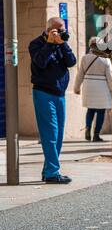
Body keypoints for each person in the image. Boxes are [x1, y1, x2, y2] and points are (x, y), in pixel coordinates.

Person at [29, 17, 76, 184]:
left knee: (58, 136)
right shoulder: (36, 44)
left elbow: (72, 62)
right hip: (43, 94)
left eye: (63, 30)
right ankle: (52, 173)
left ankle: (48, 170)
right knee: (50, 134)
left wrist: (62, 43)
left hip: (60, 95)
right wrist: (49, 44)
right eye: (58, 30)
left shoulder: (61, 44)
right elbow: (40, 63)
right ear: (49, 30)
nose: (62, 33)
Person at [74, 37, 112, 142]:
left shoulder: (85, 58)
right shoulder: (106, 59)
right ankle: (96, 134)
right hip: (102, 87)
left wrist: (76, 88)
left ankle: (87, 129)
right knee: (100, 111)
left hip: (88, 85)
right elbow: (110, 78)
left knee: (90, 109)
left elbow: (80, 74)